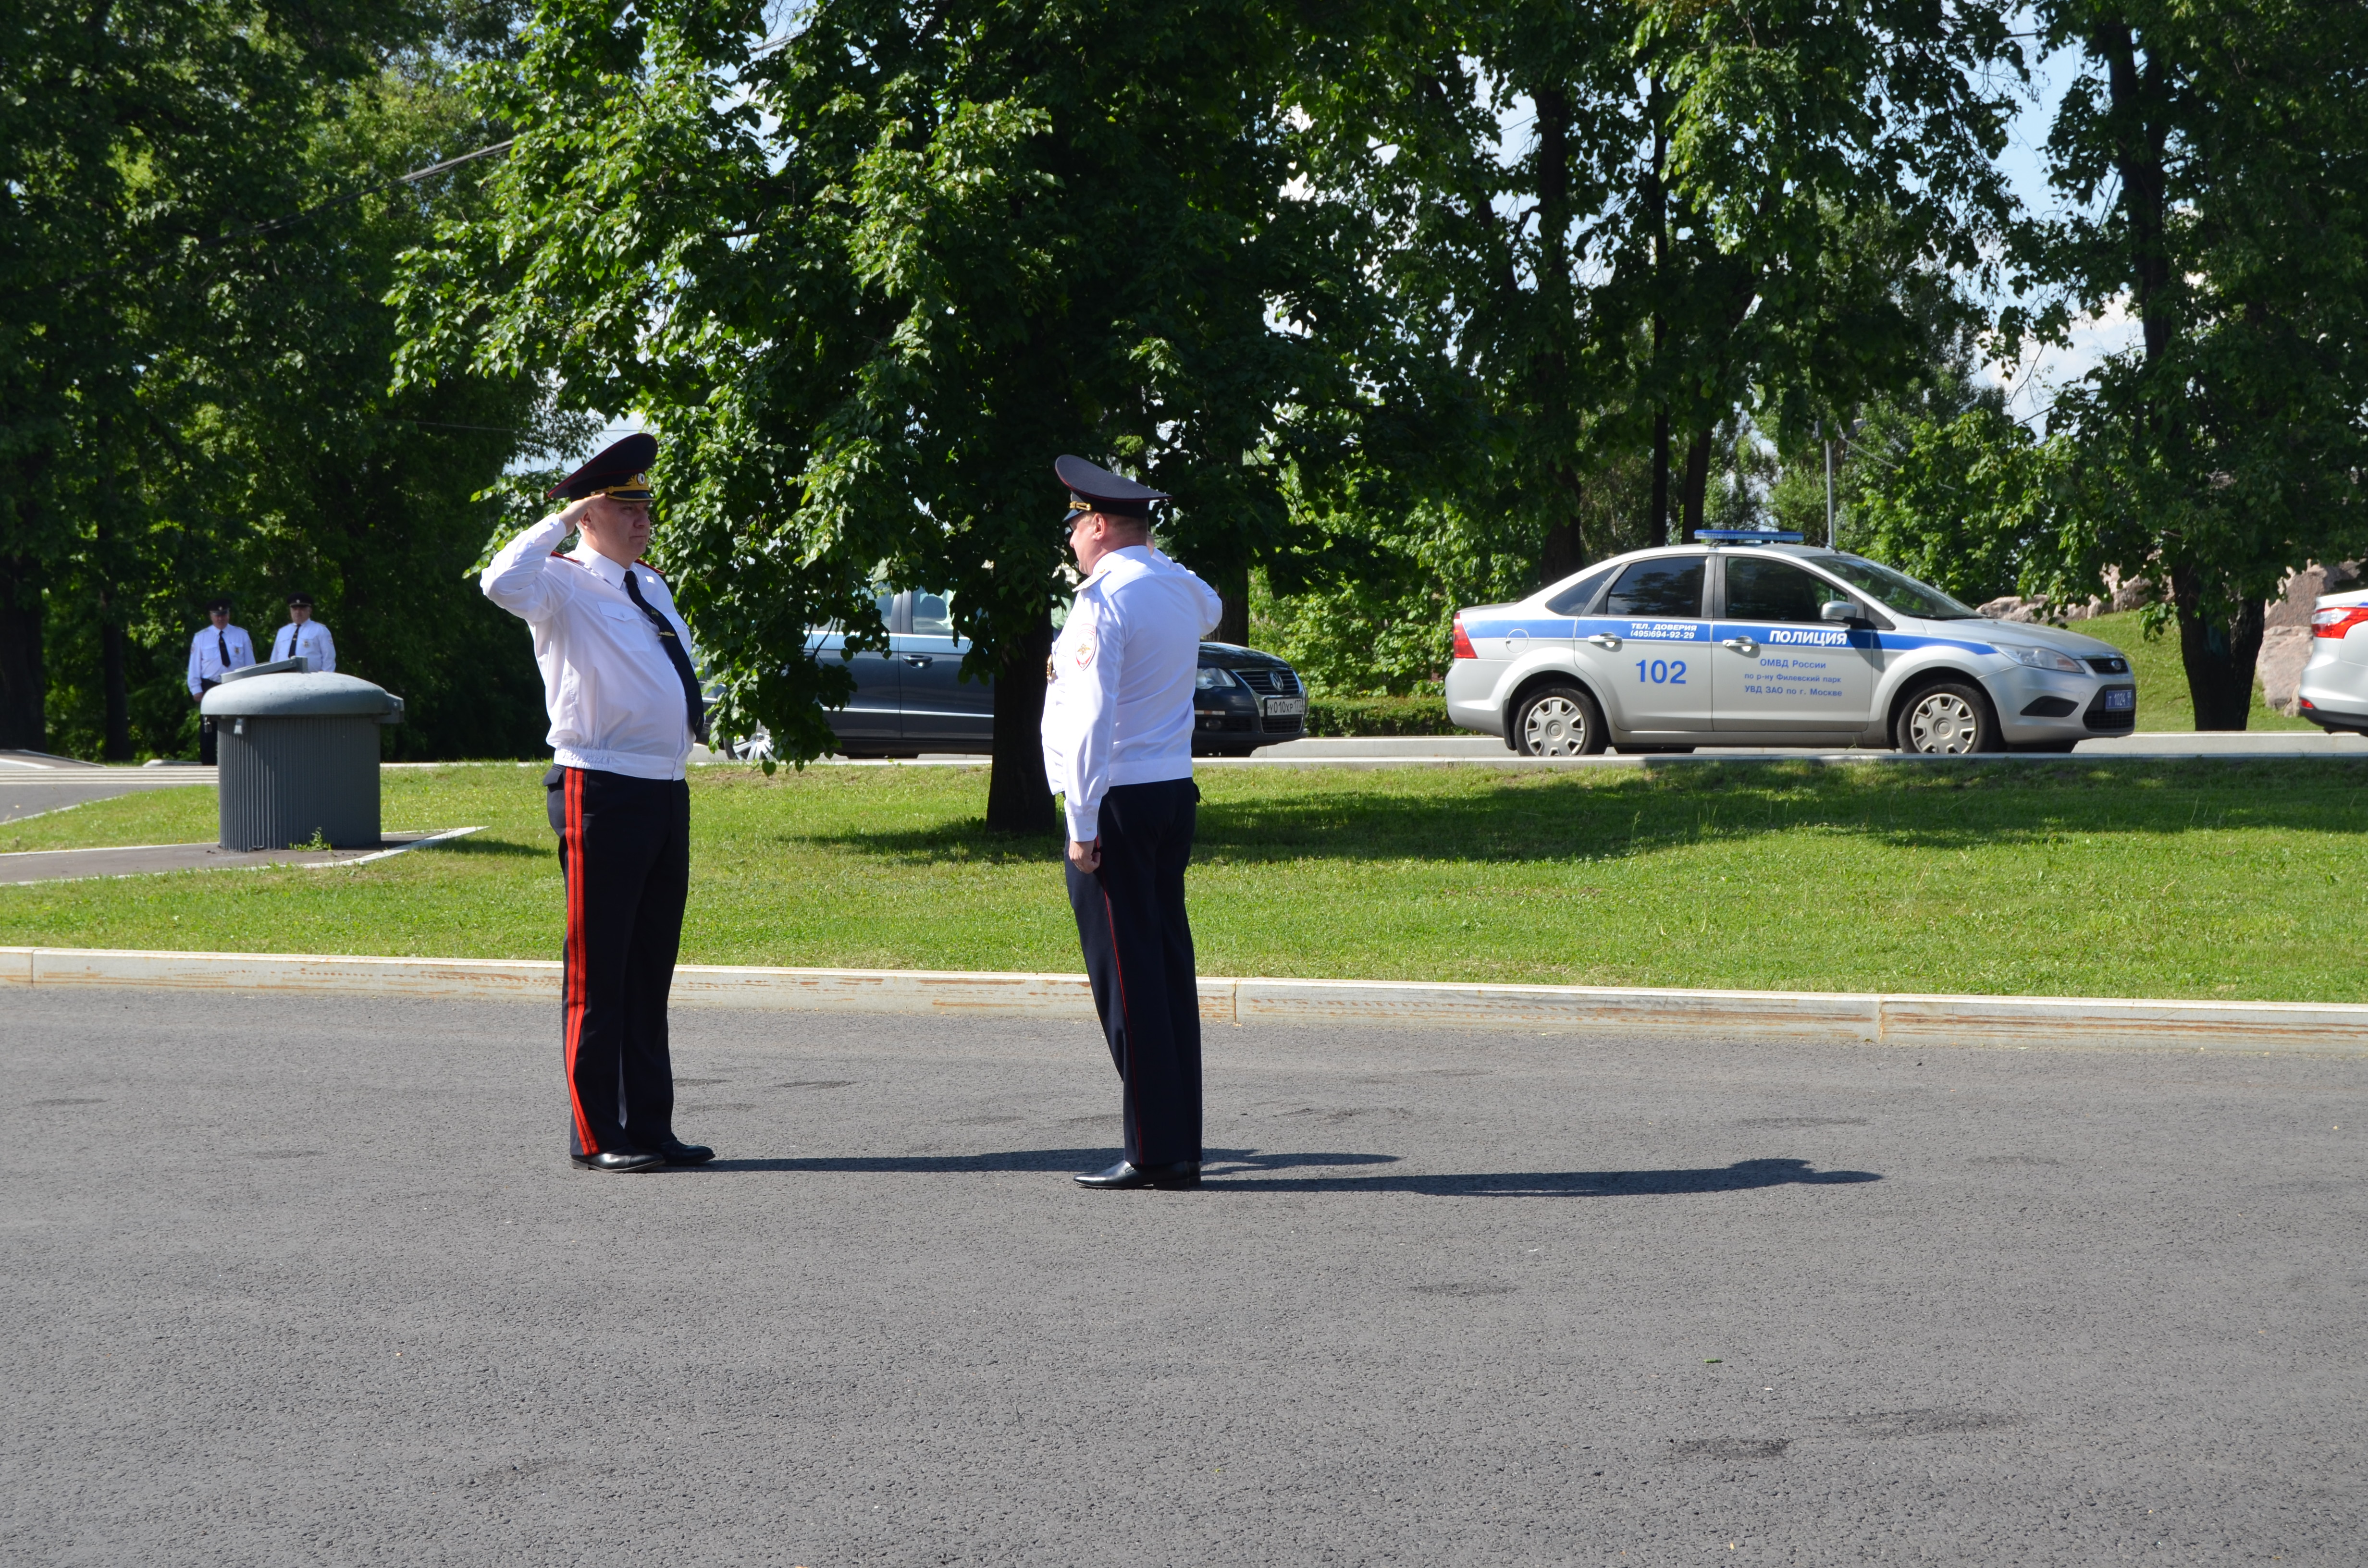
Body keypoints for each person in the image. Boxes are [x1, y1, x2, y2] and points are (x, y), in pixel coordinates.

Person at [480, 433, 715, 1175]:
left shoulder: (649, 585)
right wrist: (560, 516)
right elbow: (497, 581)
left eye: (645, 507)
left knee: (650, 967)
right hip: (600, 786)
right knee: (598, 967)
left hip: (663, 788)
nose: (643, 520)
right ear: (590, 515)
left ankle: (650, 1124)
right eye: (624, 507)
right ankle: (596, 1132)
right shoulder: (560, 582)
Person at [1040, 454, 1224, 1190]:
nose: (1072, 545)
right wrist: (1150, 552)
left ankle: (1153, 1150)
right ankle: (1178, 1142)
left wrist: (1080, 822)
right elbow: (1209, 604)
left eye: (1075, 529)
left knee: (1128, 978)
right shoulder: (1174, 587)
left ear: (1094, 525)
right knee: (1166, 970)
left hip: (1115, 800)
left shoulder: (1104, 602)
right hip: (1170, 795)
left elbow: (1088, 720)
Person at [185, 598, 257, 765]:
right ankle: (208, 765)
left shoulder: (241, 635)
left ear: (229, 614)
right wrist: (196, 688)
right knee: (208, 727)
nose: (220, 618)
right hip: (210, 685)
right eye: (216, 615)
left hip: (236, 685)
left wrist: (252, 687)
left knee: (237, 725)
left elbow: (250, 664)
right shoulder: (201, 637)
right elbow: (195, 665)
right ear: (211, 616)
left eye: (223, 614)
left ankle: (238, 763)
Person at [270, 594, 336, 671]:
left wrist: (326, 678)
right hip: (284, 678)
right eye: (295, 609)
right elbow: (274, 659)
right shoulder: (282, 632)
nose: (298, 612)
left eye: (302, 609)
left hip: (311, 679)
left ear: (310, 611)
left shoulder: (320, 630)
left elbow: (329, 658)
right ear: (290, 611)